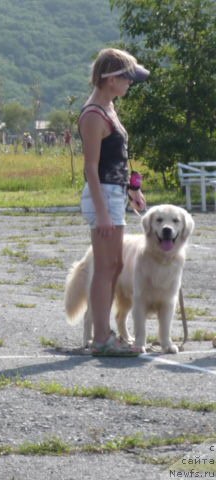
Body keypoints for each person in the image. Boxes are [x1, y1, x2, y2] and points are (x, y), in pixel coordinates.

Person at [78, 48, 149, 356]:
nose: (129, 84)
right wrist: (104, 213)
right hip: (102, 194)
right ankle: (102, 337)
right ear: (109, 79)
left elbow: (117, 156)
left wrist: (132, 188)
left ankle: (104, 335)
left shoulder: (109, 108)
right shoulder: (94, 114)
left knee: (115, 264)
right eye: (126, 78)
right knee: (106, 268)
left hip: (115, 192)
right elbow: (91, 167)